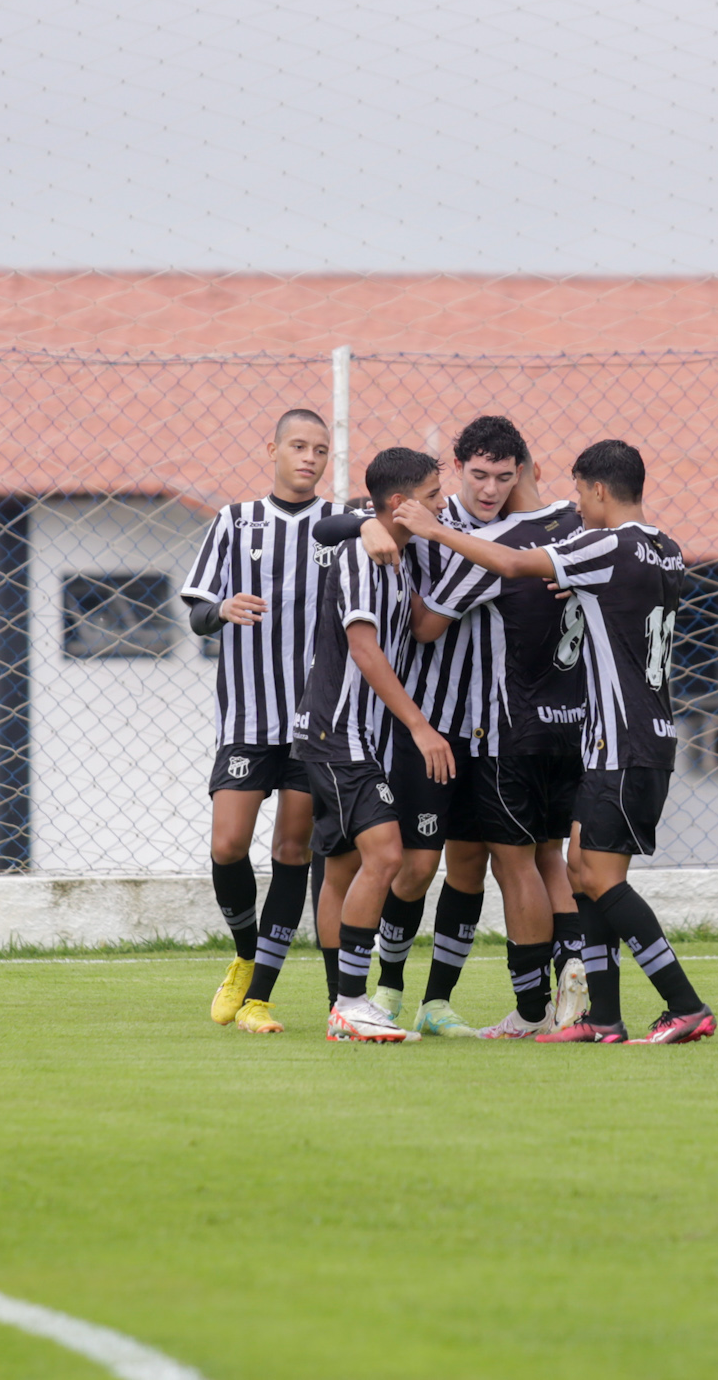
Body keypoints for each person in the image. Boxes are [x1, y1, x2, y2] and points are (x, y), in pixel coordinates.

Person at [395, 439, 717, 1044]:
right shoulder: (666, 549)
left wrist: (432, 532)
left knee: (600, 878)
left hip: (619, 741)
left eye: (580, 492)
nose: (575, 504)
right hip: (640, 733)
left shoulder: (605, 544)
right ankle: (605, 1018)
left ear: (598, 491)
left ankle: (685, 1002)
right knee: (578, 870)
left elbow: (515, 565)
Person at [407, 418, 593, 1038]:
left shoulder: (504, 543)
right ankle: (446, 999)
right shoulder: (575, 523)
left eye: (502, 476)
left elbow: (426, 626)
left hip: (500, 729)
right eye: (479, 475)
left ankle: (536, 1009)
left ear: (525, 472)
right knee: (491, 861)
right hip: (554, 720)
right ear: (455, 467)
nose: (489, 488)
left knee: (513, 863)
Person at [178, 408, 341, 1035]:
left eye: (320, 450)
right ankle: (245, 953)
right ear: (271, 449)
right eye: (298, 446)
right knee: (227, 845)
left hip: (313, 723)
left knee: (291, 849)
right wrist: (222, 607)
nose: (309, 458)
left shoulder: (338, 526)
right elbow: (194, 614)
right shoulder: (234, 521)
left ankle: (260, 996)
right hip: (247, 716)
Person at [293, 446, 456, 1043]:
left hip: (355, 736)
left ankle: (343, 1006)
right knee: (385, 857)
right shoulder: (366, 553)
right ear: (399, 503)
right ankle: (352, 1002)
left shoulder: (400, 556)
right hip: (340, 734)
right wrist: (420, 725)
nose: (442, 505)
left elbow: (417, 625)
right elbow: (365, 650)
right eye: (434, 496)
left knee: (341, 870)